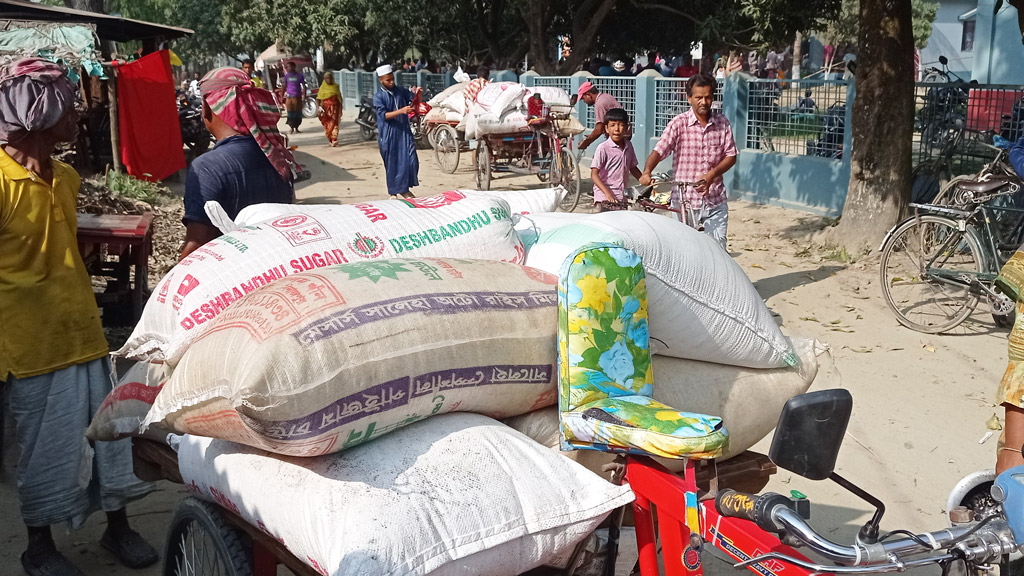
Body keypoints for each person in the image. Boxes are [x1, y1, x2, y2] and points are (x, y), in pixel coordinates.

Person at [0, 57, 159, 576]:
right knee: (41, 453)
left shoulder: (65, 177)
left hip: (84, 335)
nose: (78, 115)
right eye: (67, 106)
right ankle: (39, 545)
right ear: (34, 112)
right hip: (28, 349)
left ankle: (118, 528)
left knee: (111, 440)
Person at [181, 67, 300, 259]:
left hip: (228, 281)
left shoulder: (206, 168)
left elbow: (196, 250)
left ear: (206, 106)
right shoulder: (279, 160)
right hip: (274, 271)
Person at [639, 73, 738, 249]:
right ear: (689, 98)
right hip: (684, 203)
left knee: (717, 250)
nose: (703, 102)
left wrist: (712, 174)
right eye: (698, 97)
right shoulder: (679, 123)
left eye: (708, 97)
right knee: (687, 251)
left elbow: (731, 155)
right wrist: (647, 171)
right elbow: (660, 150)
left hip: (715, 200)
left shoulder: (722, 122)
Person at [373, 64, 419, 198]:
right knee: (393, 163)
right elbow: (384, 116)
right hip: (389, 134)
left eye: (392, 79)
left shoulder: (400, 91)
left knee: (411, 160)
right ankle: (394, 192)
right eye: (388, 80)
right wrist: (401, 111)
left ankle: (405, 189)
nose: (392, 82)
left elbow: (414, 100)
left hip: (404, 131)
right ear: (381, 80)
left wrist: (418, 94)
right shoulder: (379, 97)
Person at [590, 107, 642, 212]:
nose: (617, 129)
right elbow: (594, 175)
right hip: (604, 197)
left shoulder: (629, 146)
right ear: (606, 128)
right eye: (612, 125)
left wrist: (647, 184)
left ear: (627, 127)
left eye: (621, 125)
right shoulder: (603, 148)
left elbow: (633, 168)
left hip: (622, 196)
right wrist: (607, 193)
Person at [577, 81, 624, 152]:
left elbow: (599, 129)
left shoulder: (599, 104)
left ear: (588, 95)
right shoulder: (605, 96)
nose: (584, 101)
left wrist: (588, 141)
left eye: (584, 98)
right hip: (622, 133)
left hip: (617, 136)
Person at [316, 71, 342, 147]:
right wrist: (319, 108)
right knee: (327, 124)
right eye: (327, 78)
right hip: (325, 109)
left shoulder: (336, 87)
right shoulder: (322, 88)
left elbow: (339, 97)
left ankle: (334, 139)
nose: (328, 79)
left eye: (330, 78)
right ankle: (330, 139)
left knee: (334, 123)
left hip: (335, 108)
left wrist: (340, 107)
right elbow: (318, 98)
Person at [282, 61, 306, 134]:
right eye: (287, 67)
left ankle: (297, 128)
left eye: (289, 67)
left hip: (297, 97)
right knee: (290, 113)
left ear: (294, 67)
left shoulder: (300, 75)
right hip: (289, 97)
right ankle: (291, 127)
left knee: (297, 113)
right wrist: (282, 95)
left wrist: (304, 96)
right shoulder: (286, 76)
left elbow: (304, 86)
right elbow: (284, 86)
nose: (288, 68)